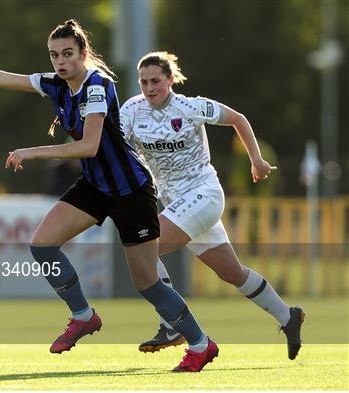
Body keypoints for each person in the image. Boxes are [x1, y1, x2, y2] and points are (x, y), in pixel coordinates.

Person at [0, 20, 219, 372]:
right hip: (96, 187)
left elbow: (90, 146)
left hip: (130, 191)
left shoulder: (98, 85)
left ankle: (201, 344)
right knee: (42, 244)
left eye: (68, 54)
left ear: (84, 53)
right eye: (54, 55)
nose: (60, 62)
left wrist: (32, 152)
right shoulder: (54, 84)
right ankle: (83, 315)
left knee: (147, 283)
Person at [120, 51, 305, 360]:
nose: (149, 88)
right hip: (176, 203)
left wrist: (256, 160)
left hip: (204, 195)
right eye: (144, 82)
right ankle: (289, 317)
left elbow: (238, 119)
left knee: (144, 249)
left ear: (169, 80)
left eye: (156, 81)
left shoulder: (190, 107)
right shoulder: (132, 110)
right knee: (233, 273)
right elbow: (118, 147)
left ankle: (171, 323)